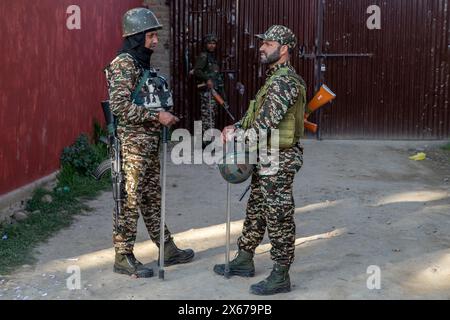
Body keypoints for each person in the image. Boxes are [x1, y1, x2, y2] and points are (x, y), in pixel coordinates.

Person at [214, 25, 307, 296]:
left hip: (279, 158)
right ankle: (244, 258)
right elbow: (256, 114)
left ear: (284, 48)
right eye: (262, 43)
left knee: (278, 215)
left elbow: (265, 126)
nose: (262, 47)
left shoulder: (285, 82)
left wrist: (238, 138)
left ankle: (281, 273)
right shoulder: (273, 80)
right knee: (256, 208)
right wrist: (237, 126)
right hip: (264, 155)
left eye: (268, 43)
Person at [105, 7, 195, 278]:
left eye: (155, 36)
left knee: (152, 198)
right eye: (151, 36)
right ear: (136, 36)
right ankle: (123, 255)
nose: (155, 41)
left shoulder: (141, 64)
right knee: (129, 198)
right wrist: (157, 116)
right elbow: (119, 107)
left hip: (149, 145)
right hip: (132, 147)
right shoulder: (124, 64)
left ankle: (166, 248)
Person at [193, 34, 226, 146]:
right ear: (206, 44)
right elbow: (197, 71)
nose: (212, 45)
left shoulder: (213, 58)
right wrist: (207, 79)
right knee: (208, 116)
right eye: (209, 43)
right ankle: (206, 142)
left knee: (211, 115)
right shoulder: (204, 56)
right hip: (207, 92)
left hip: (214, 91)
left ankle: (208, 140)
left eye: (214, 43)